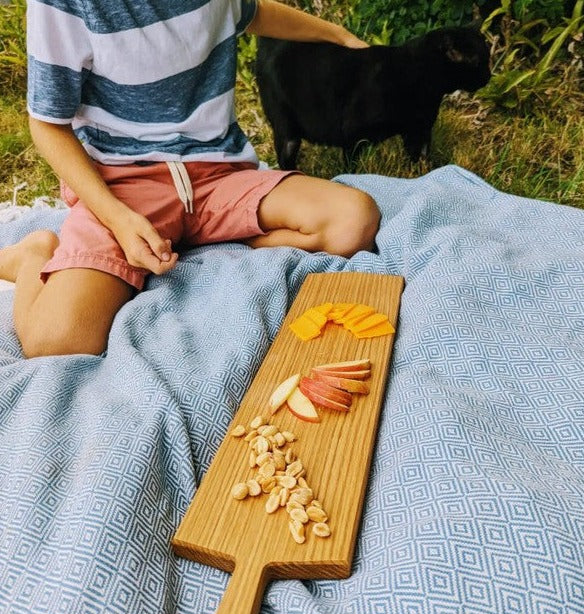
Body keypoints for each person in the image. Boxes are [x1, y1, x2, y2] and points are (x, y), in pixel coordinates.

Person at [0, 0, 380, 358]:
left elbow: (252, 11)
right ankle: (32, 255)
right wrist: (117, 219)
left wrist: (338, 35)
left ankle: (201, 235)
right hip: (123, 186)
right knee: (57, 340)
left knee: (353, 220)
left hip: (218, 174)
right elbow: (48, 125)